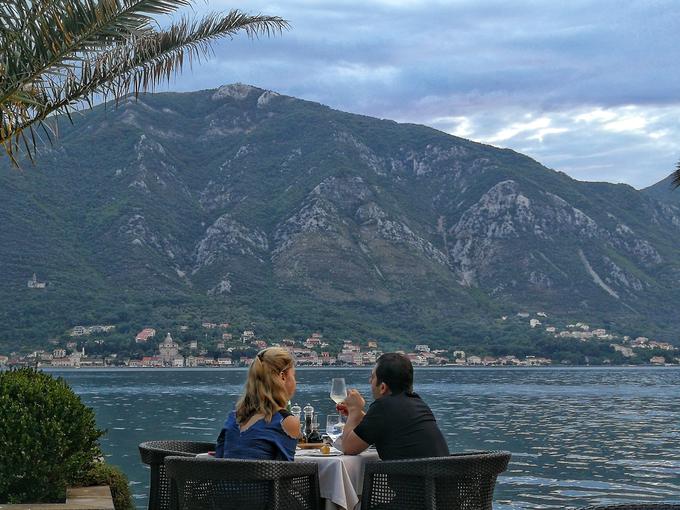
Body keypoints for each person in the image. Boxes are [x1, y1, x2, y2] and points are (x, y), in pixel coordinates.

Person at [338, 352, 449, 460]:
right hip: (443, 476)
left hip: (410, 478)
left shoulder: (382, 407)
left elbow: (348, 448)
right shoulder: (419, 404)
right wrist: (359, 416)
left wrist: (354, 409)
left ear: (382, 387)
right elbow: (388, 425)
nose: (369, 381)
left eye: (372, 377)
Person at [215, 347, 300, 461]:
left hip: (224, 478)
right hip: (265, 479)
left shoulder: (233, 418)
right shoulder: (286, 421)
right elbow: (285, 473)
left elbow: (218, 459)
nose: (295, 381)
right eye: (293, 376)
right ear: (283, 377)